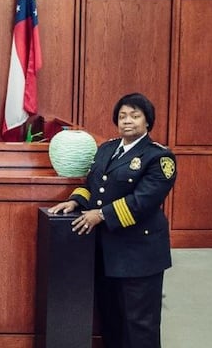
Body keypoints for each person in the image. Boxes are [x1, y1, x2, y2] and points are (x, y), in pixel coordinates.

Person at [48, 93, 176, 348]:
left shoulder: (159, 158)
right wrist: (76, 201)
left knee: (140, 325)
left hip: (139, 254)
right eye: (122, 116)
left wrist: (101, 214)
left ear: (147, 122)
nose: (127, 121)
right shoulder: (107, 148)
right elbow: (93, 185)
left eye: (135, 116)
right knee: (112, 321)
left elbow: (143, 201)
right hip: (107, 253)